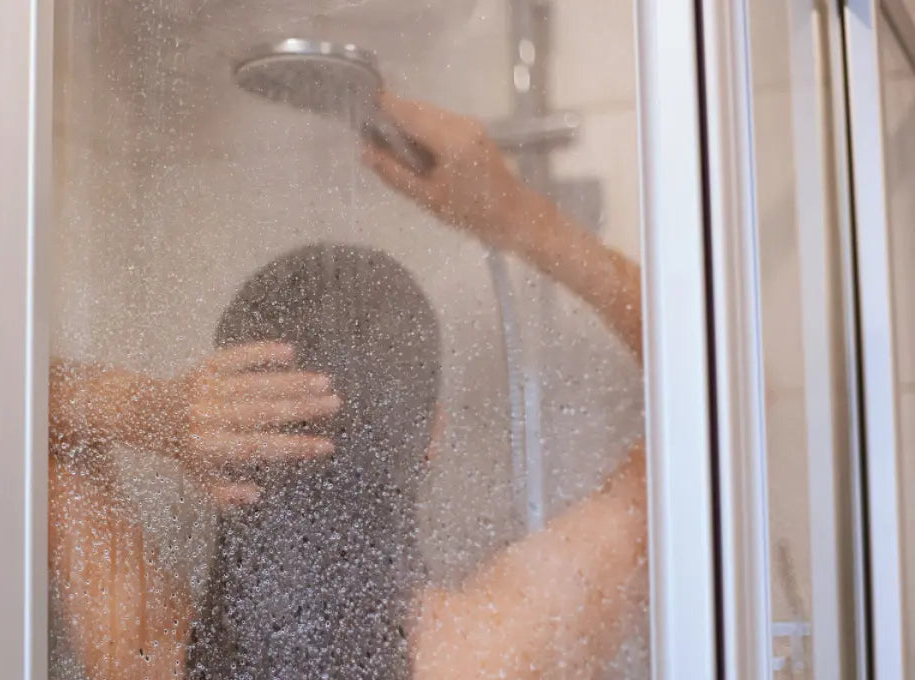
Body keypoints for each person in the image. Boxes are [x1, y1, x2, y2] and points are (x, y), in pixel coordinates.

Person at [48, 93, 647, 679]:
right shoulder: (497, 653)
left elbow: (25, 408)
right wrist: (511, 215)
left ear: (223, 437)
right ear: (430, 436)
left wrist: (152, 412)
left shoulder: (144, 653)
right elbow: (706, 406)